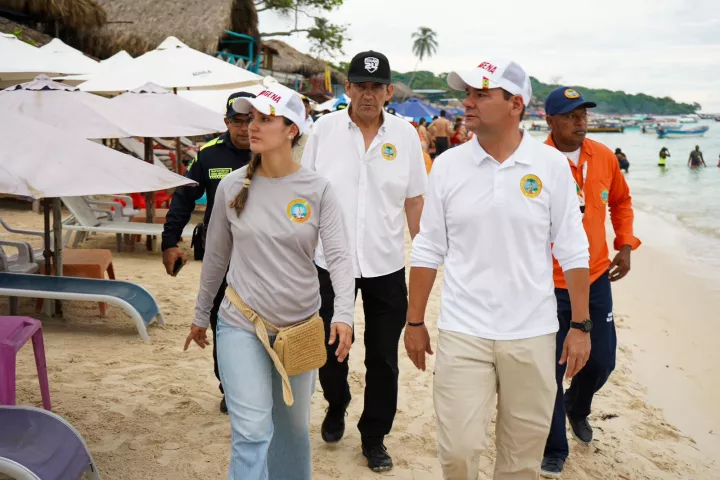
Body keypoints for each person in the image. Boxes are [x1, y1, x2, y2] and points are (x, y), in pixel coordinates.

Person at [405, 58, 591, 480]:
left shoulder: (550, 165)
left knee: (521, 460)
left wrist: (580, 325)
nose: (467, 102)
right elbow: (428, 248)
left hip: (532, 332)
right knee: (457, 451)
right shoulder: (449, 165)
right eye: (467, 93)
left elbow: (573, 249)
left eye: (480, 94)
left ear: (515, 104)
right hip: (463, 329)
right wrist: (414, 321)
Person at [185, 83, 355, 480]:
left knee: (293, 433)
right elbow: (215, 259)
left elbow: (339, 258)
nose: (252, 127)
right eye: (250, 119)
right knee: (252, 431)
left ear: (292, 129)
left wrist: (344, 314)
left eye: (264, 119)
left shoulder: (318, 190)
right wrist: (199, 315)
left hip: (299, 329)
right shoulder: (231, 187)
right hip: (241, 324)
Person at [302, 50, 427, 473]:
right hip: (327, 262)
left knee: (383, 358)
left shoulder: (406, 135)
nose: (368, 94)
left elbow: (414, 200)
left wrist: (423, 251)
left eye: (376, 87)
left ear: (389, 91)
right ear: (348, 89)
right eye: (361, 86)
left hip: (385, 264)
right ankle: (336, 404)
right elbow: (305, 194)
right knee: (329, 348)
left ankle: (374, 437)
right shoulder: (324, 130)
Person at [541, 87, 642, 478]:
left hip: (595, 274)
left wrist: (625, 244)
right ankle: (554, 448)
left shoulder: (603, 156)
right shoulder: (536, 163)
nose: (580, 121)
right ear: (550, 121)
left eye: (583, 114)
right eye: (570, 115)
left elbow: (621, 201)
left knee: (601, 361)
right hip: (548, 282)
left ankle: (577, 406)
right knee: (550, 370)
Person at [162, 91, 255, 413]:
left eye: (251, 120)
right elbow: (183, 198)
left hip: (261, 257)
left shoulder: (271, 151)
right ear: (226, 122)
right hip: (221, 256)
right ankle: (230, 387)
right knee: (222, 322)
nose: (244, 128)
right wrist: (170, 241)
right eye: (237, 121)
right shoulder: (208, 155)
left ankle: (257, 386)